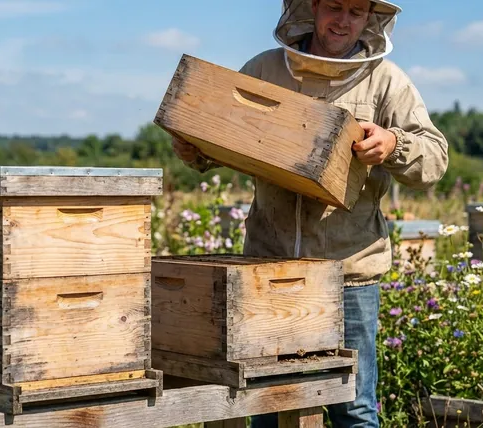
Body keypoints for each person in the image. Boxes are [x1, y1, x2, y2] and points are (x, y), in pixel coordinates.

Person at [172, 0, 449, 426]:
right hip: (268, 267)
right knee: (264, 402)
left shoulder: (386, 81)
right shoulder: (264, 70)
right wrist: (196, 149)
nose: (344, 20)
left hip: (349, 274)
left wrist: (393, 143)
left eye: (356, 12)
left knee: (353, 409)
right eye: (334, 7)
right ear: (311, 8)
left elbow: (435, 160)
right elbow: (223, 132)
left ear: (371, 18)